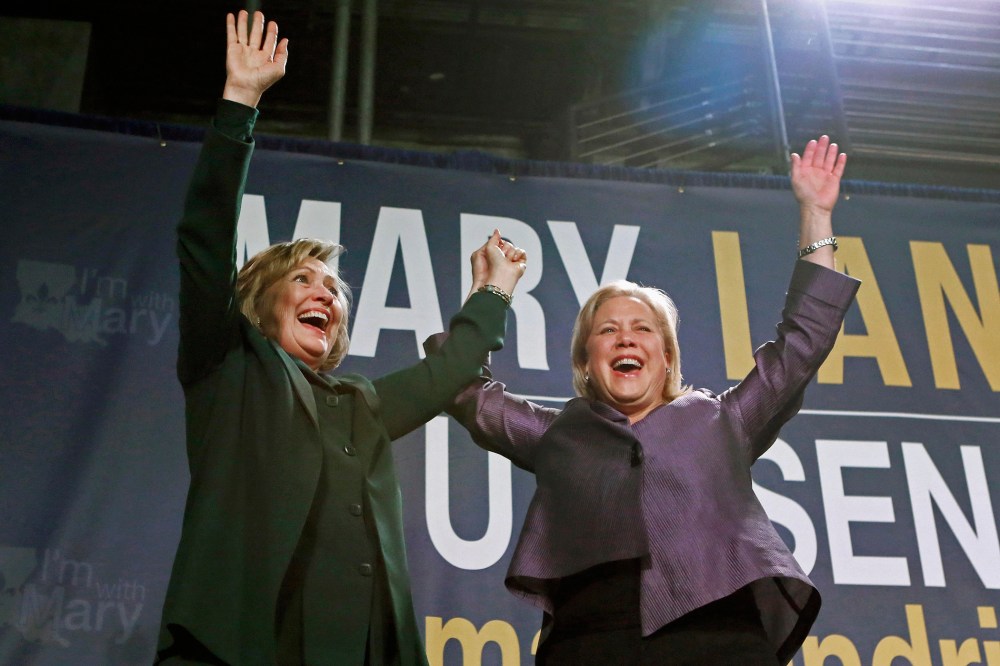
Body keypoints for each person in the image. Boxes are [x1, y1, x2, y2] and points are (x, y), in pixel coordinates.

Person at [155, 10, 526, 665]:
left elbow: (448, 374)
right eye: (305, 279)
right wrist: (239, 103)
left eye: (335, 290)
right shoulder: (226, 363)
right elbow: (204, 241)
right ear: (258, 301)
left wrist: (492, 291)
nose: (326, 292)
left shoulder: (359, 403)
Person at [432, 135, 860, 664]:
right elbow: (460, 387)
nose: (626, 338)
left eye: (643, 329)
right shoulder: (557, 434)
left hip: (720, 638)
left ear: (666, 358)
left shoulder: (720, 419)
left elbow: (802, 344)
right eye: (608, 331)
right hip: (589, 643)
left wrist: (816, 214)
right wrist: (490, 292)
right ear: (587, 362)